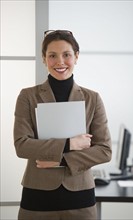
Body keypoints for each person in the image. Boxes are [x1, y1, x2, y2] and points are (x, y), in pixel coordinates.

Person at [13, 30, 112, 220]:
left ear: (76, 56)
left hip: (80, 197)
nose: (60, 62)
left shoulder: (93, 98)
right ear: (44, 59)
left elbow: (104, 150)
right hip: (37, 196)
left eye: (66, 55)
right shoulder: (27, 96)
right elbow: (22, 145)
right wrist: (70, 144)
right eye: (52, 56)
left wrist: (61, 160)